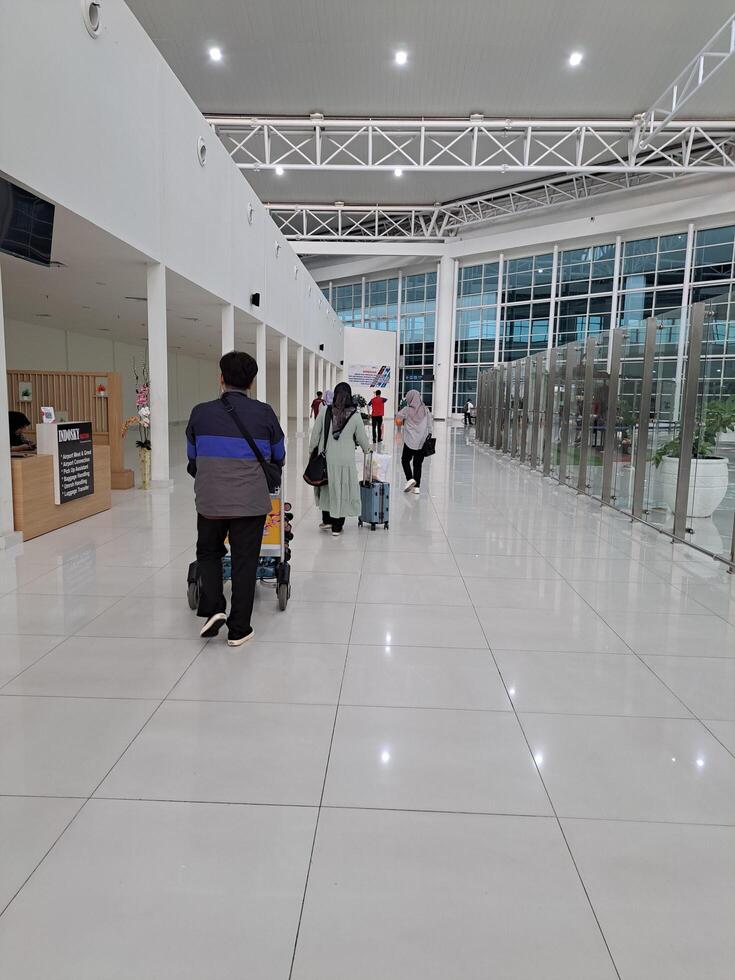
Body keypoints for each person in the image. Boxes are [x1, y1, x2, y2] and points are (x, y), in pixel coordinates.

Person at [186, 350, 285, 647]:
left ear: (221, 378)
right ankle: (239, 628)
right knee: (245, 560)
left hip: (210, 502)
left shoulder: (200, 413)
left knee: (209, 552)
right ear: (251, 382)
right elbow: (278, 455)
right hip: (250, 503)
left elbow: (193, 459)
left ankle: (214, 608)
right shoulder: (265, 413)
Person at [309, 380, 370, 536]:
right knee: (342, 489)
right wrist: (367, 450)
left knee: (327, 487)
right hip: (345, 460)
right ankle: (337, 526)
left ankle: (327, 520)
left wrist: (311, 451)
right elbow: (363, 439)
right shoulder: (355, 415)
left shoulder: (325, 411)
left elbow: (315, 433)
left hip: (327, 457)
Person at [396, 389, 432, 494]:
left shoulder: (406, 410)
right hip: (422, 442)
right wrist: (429, 435)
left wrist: (401, 422)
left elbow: (398, 418)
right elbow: (429, 426)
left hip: (409, 441)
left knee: (405, 460)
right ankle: (417, 488)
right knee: (418, 464)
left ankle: (410, 479)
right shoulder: (426, 409)